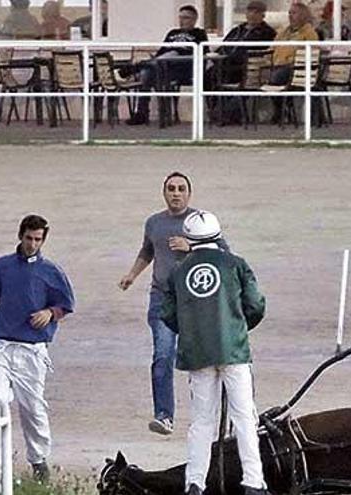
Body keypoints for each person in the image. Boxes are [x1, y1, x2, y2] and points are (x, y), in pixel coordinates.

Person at [0, 214, 75, 482]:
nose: (32, 244)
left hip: (33, 351)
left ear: (43, 240)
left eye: (38, 239)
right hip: (2, 346)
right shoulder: (2, 265)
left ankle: (38, 460)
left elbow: (66, 304)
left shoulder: (52, 272)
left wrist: (50, 312)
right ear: (20, 236)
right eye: (28, 238)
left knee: (33, 409)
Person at [160, 210, 268, 495]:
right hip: (234, 352)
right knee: (245, 418)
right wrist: (239, 328)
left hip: (197, 355)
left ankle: (195, 483)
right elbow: (256, 305)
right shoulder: (236, 264)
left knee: (201, 422)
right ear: (217, 235)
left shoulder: (177, 272)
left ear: (189, 239)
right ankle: (253, 483)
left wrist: (192, 332)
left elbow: (167, 314)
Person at [118, 172, 229, 435]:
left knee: (201, 359)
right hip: (162, 299)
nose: (176, 193)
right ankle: (164, 415)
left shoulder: (200, 223)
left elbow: (225, 255)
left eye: (181, 189)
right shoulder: (154, 223)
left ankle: (207, 417)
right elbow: (148, 251)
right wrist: (132, 275)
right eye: (171, 189)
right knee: (163, 355)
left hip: (195, 299)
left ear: (189, 194)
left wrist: (191, 246)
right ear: (164, 193)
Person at [125, 5, 208, 125]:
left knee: (172, 53)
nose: (182, 21)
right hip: (162, 67)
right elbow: (161, 52)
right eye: (180, 17)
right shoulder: (172, 33)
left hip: (182, 67)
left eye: (186, 18)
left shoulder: (199, 34)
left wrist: (177, 52)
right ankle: (141, 113)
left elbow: (203, 53)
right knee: (146, 74)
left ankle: (130, 70)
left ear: (194, 19)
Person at [208, 0, 276, 124]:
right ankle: (215, 111)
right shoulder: (237, 30)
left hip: (247, 68)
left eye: (256, 12)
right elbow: (223, 46)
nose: (252, 15)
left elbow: (261, 52)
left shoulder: (266, 32)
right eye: (250, 11)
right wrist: (217, 55)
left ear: (263, 15)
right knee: (207, 75)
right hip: (226, 65)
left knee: (223, 77)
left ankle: (224, 114)